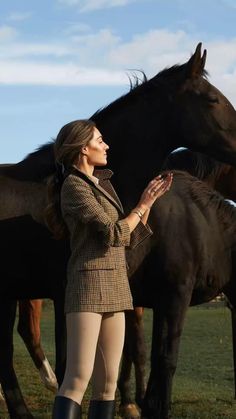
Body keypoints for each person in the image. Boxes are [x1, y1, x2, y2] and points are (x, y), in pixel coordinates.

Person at [46, 119, 173, 419]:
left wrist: (150, 201)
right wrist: (141, 205)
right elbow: (113, 233)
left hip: (116, 286)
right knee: (77, 380)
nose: (106, 146)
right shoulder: (74, 187)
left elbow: (127, 239)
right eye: (100, 140)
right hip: (87, 288)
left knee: (109, 385)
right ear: (82, 148)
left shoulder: (102, 184)